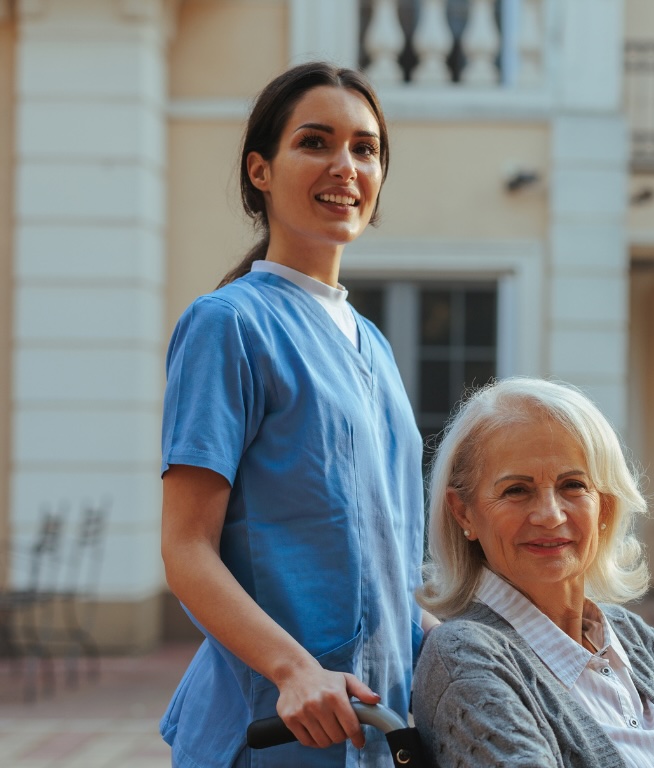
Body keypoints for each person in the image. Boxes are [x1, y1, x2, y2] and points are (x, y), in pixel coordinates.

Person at [160, 62, 434, 767]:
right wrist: (292, 670)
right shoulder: (229, 325)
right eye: (316, 142)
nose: (345, 166)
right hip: (274, 730)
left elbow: (381, 569)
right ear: (261, 170)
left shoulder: (371, 342)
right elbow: (186, 547)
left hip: (377, 726)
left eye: (365, 148)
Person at [412, 377, 654, 768]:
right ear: (463, 512)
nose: (550, 515)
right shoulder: (466, 657)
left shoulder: (632, 636)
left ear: (603, 507)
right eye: (517, 490)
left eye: (572, 485)